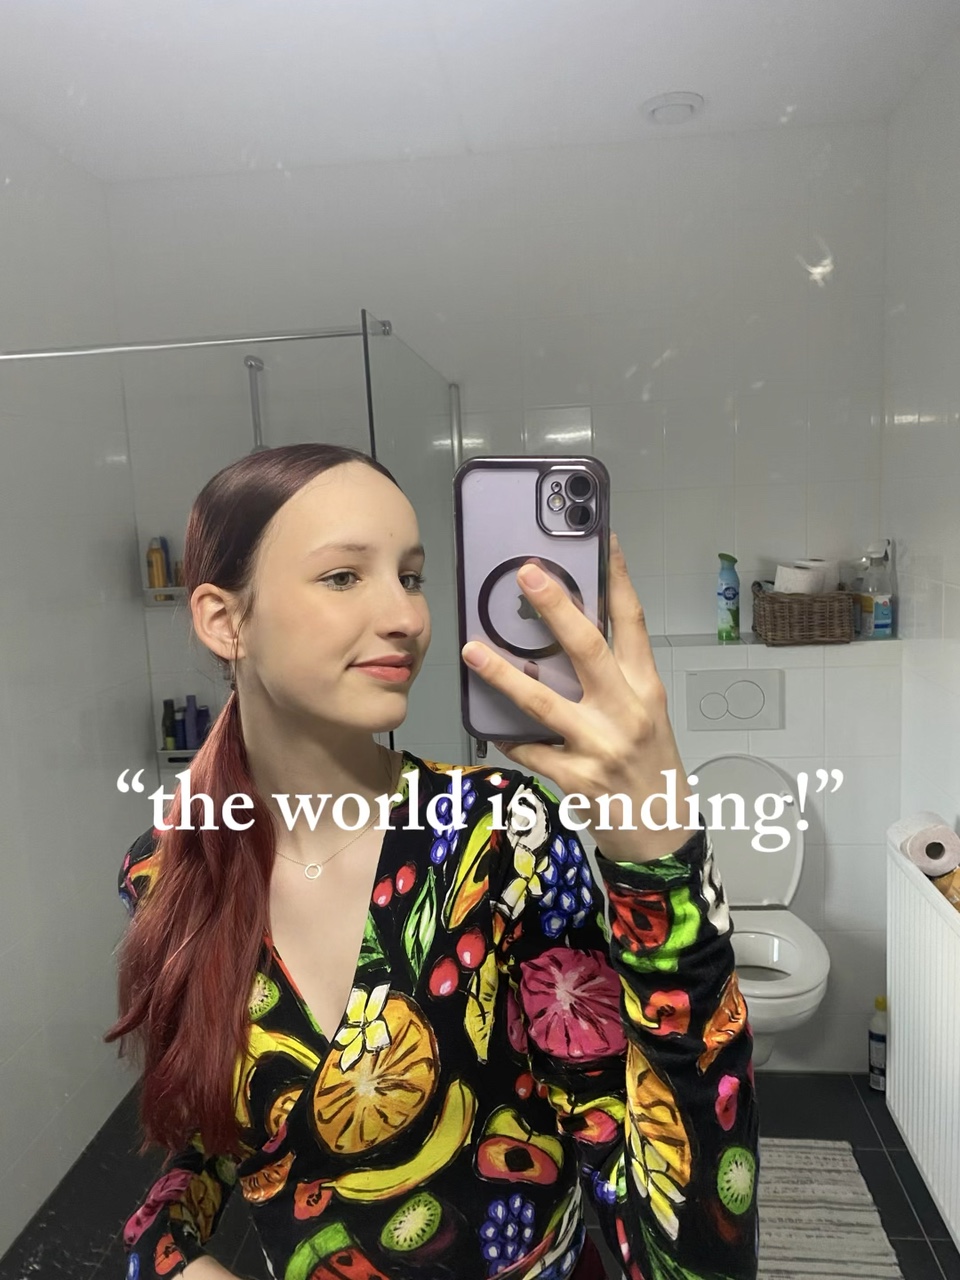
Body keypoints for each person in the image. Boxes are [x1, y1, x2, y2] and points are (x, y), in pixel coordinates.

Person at [106, 443, 760, 1280]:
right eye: (344, 576)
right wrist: (165, 1254)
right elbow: (219, 1143)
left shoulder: (499, 837)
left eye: (410, 577)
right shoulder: (167, 871)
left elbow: (682, 1247)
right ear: (224, 620)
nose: (409, 617)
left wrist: (659, 859)